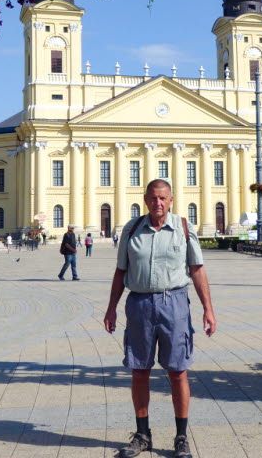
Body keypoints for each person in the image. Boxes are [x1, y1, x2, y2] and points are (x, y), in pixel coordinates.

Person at [104, 179, 216, 458]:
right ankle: (143, 435)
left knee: (178, 371)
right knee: (139, 370)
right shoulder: (132, 230)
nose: (158, 203)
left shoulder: (184, 229)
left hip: (174, 303)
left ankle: (181, 437)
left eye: (163, 198)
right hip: (140, 303)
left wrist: (208, 309)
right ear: (145, 200)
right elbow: (120, 272)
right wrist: (111, 308)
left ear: (171, 200)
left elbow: (198, 270)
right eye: (153, 198)